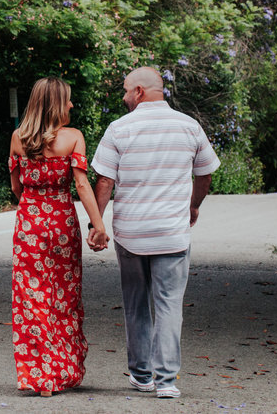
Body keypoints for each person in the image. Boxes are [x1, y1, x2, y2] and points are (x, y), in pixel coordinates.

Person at [88, 66, 220, 399]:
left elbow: (104, 180)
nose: (123, 96)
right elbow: (204, 174)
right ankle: (166, 382)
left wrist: (97, 223)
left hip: (131, 233)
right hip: (172, 234)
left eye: (125, 90)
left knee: (135, 304)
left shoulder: (120, 128)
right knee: (169, 305)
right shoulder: (189, 126)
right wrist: (193, 205)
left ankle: (142, 375)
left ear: (140, 92)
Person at [8, 77, 109, 397]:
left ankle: (39, 376)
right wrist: (98, 226)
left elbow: (16, 188)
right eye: (67, 100)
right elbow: (81, 185)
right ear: (55, 104)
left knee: (32, 297)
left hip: (30, 226)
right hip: (62, 224)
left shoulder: (17, 138)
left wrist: (35, 199)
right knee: (63, 297)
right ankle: (60, 371)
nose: (71, 105)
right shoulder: (73, 138)